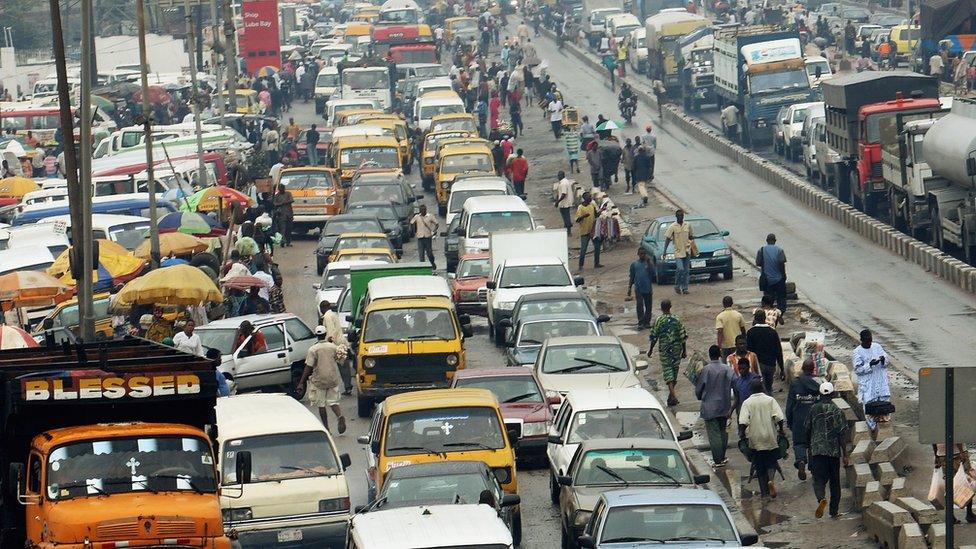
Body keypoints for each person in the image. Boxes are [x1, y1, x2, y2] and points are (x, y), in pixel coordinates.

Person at [805, 382, 850, 518]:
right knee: (835, 483)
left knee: (818, 479)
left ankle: (821, 498)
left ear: (820, 394)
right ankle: (834, 511)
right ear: (833, 394)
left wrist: (809, 448)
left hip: (817, 450)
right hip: (833, 452)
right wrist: (845, 454)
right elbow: (842, 434)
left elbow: (807, 429)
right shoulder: (837, 411)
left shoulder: (813, 409)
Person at [739, 377, 786, 498]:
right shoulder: (770, 400)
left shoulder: (747, 403)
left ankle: (764, 492)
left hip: (755, 439)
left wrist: (742, 434)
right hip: (770, 437)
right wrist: (781, 431)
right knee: (771, 461)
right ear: (763, 388)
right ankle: (770, 480)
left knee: (759, 464)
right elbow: (779, 418)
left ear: (751, 390)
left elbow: (743, 421)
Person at [297, 326, 347, 434]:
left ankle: (327, 428)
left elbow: (308, 366)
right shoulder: (333, 347)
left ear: (316, 335)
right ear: (325, 334)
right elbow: (340, 359)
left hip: (319, 381)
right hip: (332, 379)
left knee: (321, 404)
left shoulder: (313, 349)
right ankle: (339, 416)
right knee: (333, 401)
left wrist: (301, 382)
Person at [696, 345, 734, 466]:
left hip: (709, 407)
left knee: (714, 434)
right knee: (723, 432)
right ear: (720, 354)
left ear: (710, 354)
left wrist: (699, 396)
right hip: (724, 406)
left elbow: (699, 388)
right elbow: (735, 381)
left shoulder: (706, 370)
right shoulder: (726, 369)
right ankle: (721, 457)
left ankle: (718, 459)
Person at [647, 299, 687, 407]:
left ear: (661, 308)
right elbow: (683, 336)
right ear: (670, 307)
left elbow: (654, 336)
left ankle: (672, 396)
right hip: (676, 349)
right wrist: (684, 350)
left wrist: (650, 349)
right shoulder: (677, 319)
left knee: (668, 371)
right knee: (674, 371)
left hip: (664, 350)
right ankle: (672, 396)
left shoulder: (659, 320)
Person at [786, 358, 821, 481]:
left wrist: (789, 421)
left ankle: (801, 460)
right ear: (813, 369)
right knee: (813, 444)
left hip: (799, 419)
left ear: (802, 369)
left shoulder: (795, 383)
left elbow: (790, 404)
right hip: (814, 419)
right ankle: (813, 467)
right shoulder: (818, 383)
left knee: (799, 443)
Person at [852, 329, 891, 431]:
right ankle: (872, 430)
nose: (869, 343)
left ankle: (883, 429)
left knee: (884, 406)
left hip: (880, 381)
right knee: (870, 408)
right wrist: (869, 365)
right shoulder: (857, 352)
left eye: (870, 340)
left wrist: (883, 360)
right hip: (868, 385)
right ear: (861, 340)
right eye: (866, 341)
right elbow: (857, 370)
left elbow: (887, 359)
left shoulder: (877, 347)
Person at [746, 309, 783, 394]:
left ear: (755, 319)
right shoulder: (772, 332)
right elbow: (778, 351)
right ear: (764, 318)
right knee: (769, 388)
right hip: (770, 364)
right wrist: (782, 368)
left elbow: (749, 351)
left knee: (759, 388)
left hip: (757, 365)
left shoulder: (751, 332)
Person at [662, 209, 693, 294]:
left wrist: (693, 247)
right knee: (680, 269)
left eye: (682, 215)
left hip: (687, 251)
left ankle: (685, 288)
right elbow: (667, 239)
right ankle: (677, 285)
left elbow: (691, 236)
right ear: (676, 216)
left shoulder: (688, 225)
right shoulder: (672, 227)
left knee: (686, 270)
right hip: (678, 252)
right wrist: (664, 251)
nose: (680, 217)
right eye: (679, 216)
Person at [756, 233, 787, 313]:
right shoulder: (779, 250)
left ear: (766, 241)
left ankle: (769, 314)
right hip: (779, 279)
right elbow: (782, 264)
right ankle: (780, 314)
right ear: (775, 241)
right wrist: (783, 276)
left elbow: (758, 263)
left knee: (768, 299)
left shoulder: (761, 250)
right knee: (781, 298)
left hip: (767, 280)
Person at [627, 247, 654, 329]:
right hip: (638, 288)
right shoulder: (634, 264)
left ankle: (647, 322)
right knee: (639, 305)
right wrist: (629, 288)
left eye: (644, 254)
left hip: (648, 288)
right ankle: (641, 322)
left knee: (648, 306)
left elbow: (653, 273)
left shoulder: (649, 264)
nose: (642, 255)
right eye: (641, 254)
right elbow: (632, 277)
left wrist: (649, 263)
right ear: (638, 254)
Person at [715, 296, 746, 360]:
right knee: (737, 363)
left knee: (726, 364)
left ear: (723, 304)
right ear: (732, 303)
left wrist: (719, 346)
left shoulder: (720, 316)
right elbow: (743, 329)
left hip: (725, 345)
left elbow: (720, 332)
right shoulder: (738, 315)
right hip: (737, 344)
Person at [575, 191, 599, 269]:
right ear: (584, 198)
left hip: (592, 230)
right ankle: (580, 265)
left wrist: (601, 210)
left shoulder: (592, 205)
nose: (590, 198)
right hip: (584, 231)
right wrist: (583, 216)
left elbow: (596, 215)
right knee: (583, 249)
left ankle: (596, 263)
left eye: (590, 196)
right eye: (589, 197)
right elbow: (577, 220)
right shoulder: (580, 208)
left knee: (597, 246)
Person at [412, 204, 439, 269]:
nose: (423, 211)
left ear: (426, 210)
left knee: (429, 253)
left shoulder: (430, 216)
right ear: (420, 211)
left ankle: (432, 262)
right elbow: (412, 223)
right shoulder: (417, 217)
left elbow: (437, 224)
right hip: (420, 238)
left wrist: (434, 231)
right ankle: (423, 267)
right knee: (421, 254)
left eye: (424, 210)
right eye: (421, 210)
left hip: (427, 237)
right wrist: (415, 231)